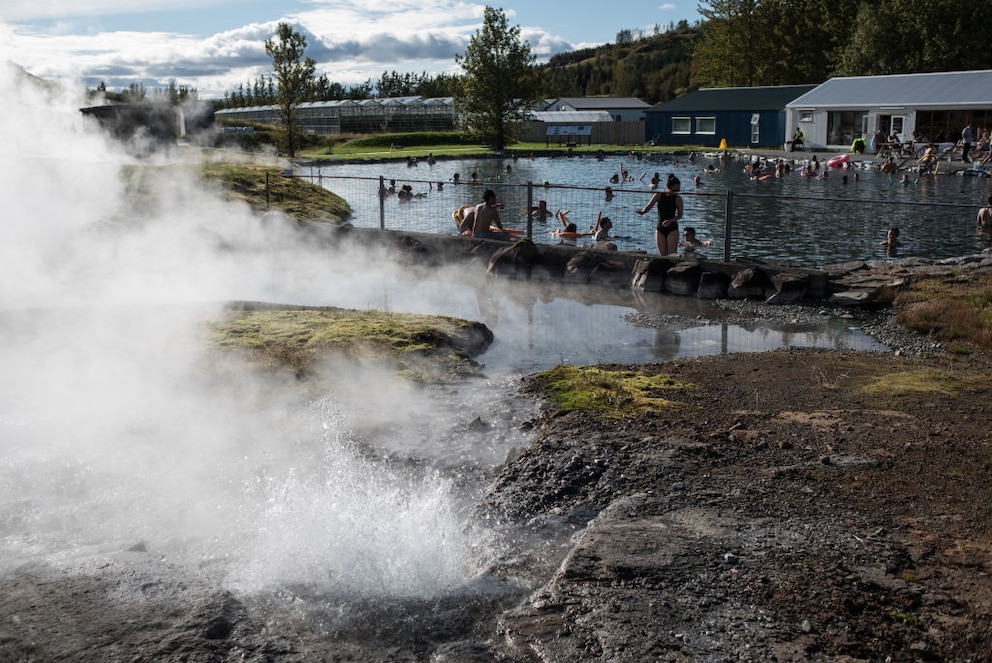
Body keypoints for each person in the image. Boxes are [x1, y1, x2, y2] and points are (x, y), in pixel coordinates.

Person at [636, 173, 683, 255]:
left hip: (672, 228)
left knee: (671, 255)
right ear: (670, 187)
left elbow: (680, 215)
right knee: (662, 256)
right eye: (675, 190)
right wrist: (642, 212)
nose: (676, 192)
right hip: (660, 228)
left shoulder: (678, 198)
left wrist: (670, 221)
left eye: (678, 190)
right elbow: (648, 207)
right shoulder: (659, 195)